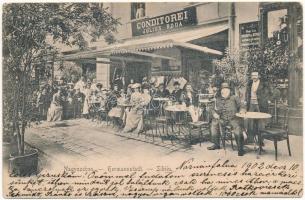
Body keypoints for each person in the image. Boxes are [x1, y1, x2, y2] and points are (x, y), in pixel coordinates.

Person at [208, 82, 246, 156]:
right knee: (214, 124)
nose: (224, 91)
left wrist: (242, 110)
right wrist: (214, 113)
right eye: (223, 89)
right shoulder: (217, 99)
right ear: (221, 91)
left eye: (226, 89)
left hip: (233, 119)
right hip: (222, 119)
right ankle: (216, 144)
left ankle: (240, 149)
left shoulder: (235, 97)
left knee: (237, 129)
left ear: (229, 90)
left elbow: (242, 106)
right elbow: (211, 108)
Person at [245, 71, 272, 143]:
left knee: (261, 123)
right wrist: (246, 100)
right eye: (252, 75)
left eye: (255, 75)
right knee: (250, 122)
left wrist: (268, 100)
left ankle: (260, 141)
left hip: (260, 105)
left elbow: (271, 92)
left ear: (258, 76)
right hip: (251, 104)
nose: (254, 77)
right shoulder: (250, 83)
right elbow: (247, 93)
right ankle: (250, 139)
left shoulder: (264, 84)